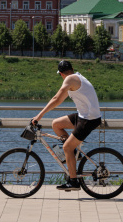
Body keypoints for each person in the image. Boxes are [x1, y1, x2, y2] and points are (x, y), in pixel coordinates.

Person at [31, 60, 102, 191]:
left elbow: (56, 99)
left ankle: (74, 182)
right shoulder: (76, 76)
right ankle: (75, 154)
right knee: (56, 124)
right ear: (72, 69)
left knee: (66, 147)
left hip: (89, 119)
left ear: (61, 74)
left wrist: (39, 116)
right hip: (83, 116)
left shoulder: (69, 79)